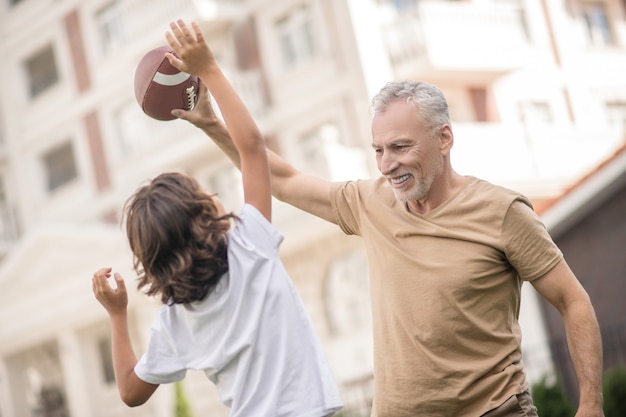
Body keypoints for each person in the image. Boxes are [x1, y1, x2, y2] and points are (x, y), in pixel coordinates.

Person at [173, 68, 605, 414]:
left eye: (399, 147)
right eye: (378, 150)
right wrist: (213, 125)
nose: (386, 164)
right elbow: (282, 179)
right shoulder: (370, 202)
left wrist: (590, 404)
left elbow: (573, 301)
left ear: (444, 138)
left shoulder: (502, 212)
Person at [91, 20, 343, 417]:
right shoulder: (249, 248)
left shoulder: (174, 323)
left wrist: (117, 314)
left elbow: (130, 391)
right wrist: (208, 68)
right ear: (203, 212)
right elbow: (253, 149)